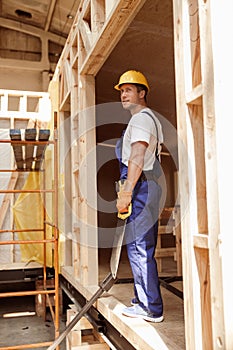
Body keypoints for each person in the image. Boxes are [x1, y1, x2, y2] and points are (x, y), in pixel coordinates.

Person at [114, 70, 164, 323]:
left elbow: (137, 155)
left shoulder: (141, 120)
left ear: (142, 93)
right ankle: (143, 299)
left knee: (139, 246)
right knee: (143, 245)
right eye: (122, 90)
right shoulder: (148, 118)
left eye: (129, 90)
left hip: (142, 184)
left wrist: (126, 192)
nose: (124, 94)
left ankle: (150, 308)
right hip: (149, 183)